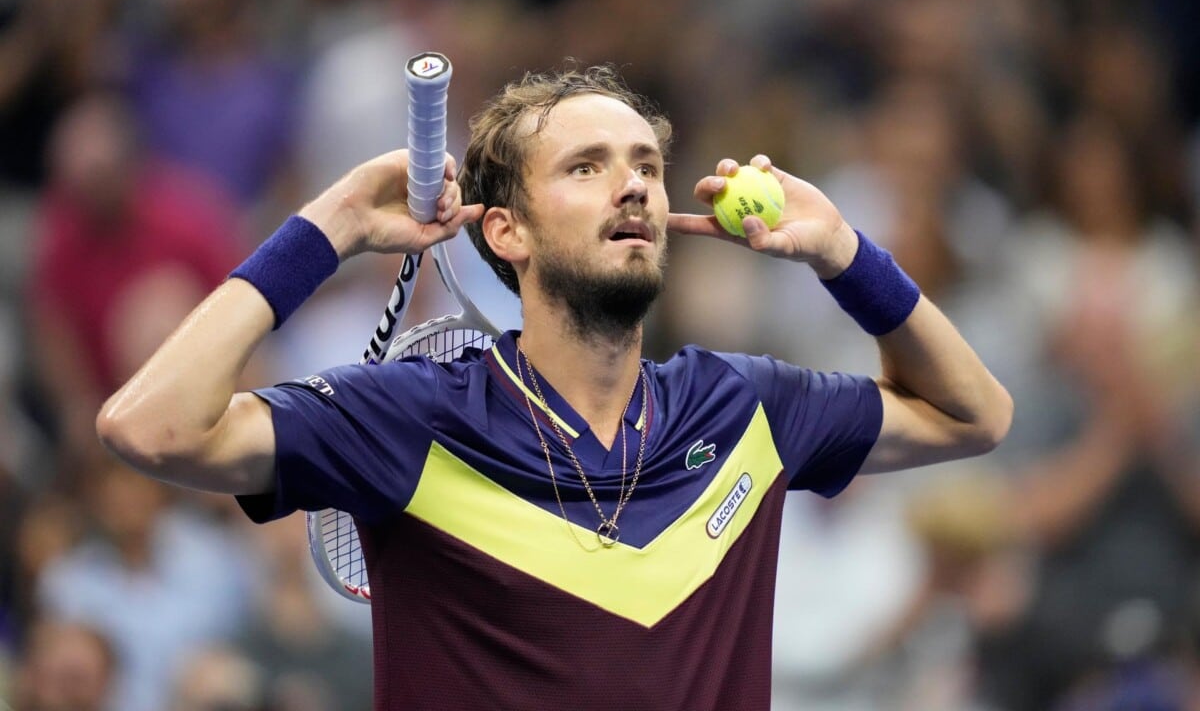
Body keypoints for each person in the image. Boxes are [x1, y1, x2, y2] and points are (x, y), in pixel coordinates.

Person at [96, 65, 1012, 710]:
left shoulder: (747, 410)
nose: (634, 188)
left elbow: (976, 414)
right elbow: (151, 427)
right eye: (588, 167)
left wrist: (847, 256)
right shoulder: (410, 417)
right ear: (507, 233)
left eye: (645, 165)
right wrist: (326, 229)